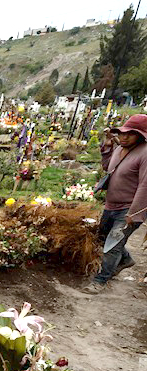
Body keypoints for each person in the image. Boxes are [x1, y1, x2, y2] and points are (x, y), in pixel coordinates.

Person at [83, 114, 147, 293]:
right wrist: (109, 145)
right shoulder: (120, 149)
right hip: (111, 205)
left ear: (141, 135)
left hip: (128, 208)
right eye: (122, 133)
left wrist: (134, 214)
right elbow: (107, 168)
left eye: (130, 134)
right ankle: (125, 260)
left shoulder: (144, 153)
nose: (124, 137)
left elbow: (145, 185)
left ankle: (100, 281)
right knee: (104, 238)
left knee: (113, 244)